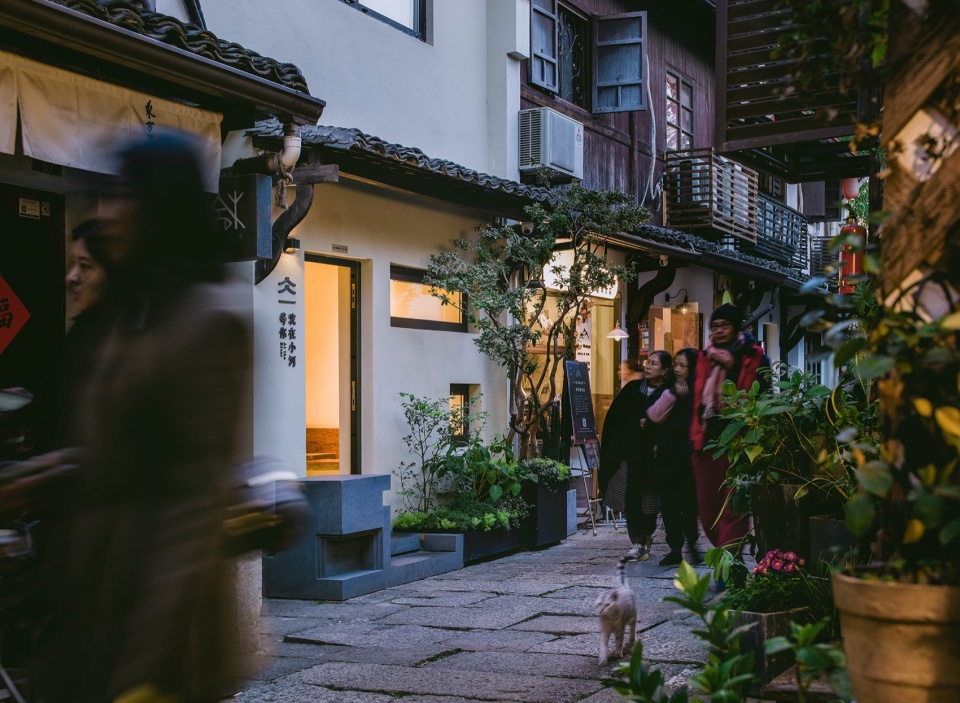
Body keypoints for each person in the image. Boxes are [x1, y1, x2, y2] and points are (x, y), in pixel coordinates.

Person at [35, 131, 252, 703]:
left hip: (158, 632)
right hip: (91, 606)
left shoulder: (209, 319)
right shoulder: (130, 314)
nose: (111, 214)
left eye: (127, 196)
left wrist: (145, 665)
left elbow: (194, 503)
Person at [690, 304, 770, 555]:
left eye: (724, 326)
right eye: (714, 326)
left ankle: (728, 563)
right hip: (707, 442)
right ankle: (725, 552)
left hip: (740, 442)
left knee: (734, 508)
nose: (719, 331)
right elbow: (695, 401)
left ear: (736, 328)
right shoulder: (704, 358)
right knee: (707, 510)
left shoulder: (754, 356)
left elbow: (765, 393)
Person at [31, 219, 116, 453]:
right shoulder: (84, 328)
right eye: (73, 265)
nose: (72, 277)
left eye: (85, 266)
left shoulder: (120, 340)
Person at [599, 351, 673, 561]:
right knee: (633, 496)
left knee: (652, 499)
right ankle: (638, 542)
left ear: (665, 370)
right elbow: (616, 420)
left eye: (654, 364)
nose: (648, 366)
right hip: (632, 454)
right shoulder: (632, 389)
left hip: (658, 456)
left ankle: (648, 537)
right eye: (647, 362)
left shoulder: (668, 393)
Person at [648, 348, 701, 566]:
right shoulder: (668, 389)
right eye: (676, 364)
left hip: (691, 458)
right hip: (668, 457)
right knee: (669, 505)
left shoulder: (700, 392)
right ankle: (676, 548)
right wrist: (672, 394)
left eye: (683, 365)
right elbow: (653, 416)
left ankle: (692, 544)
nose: (678, 369)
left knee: (690, 505)